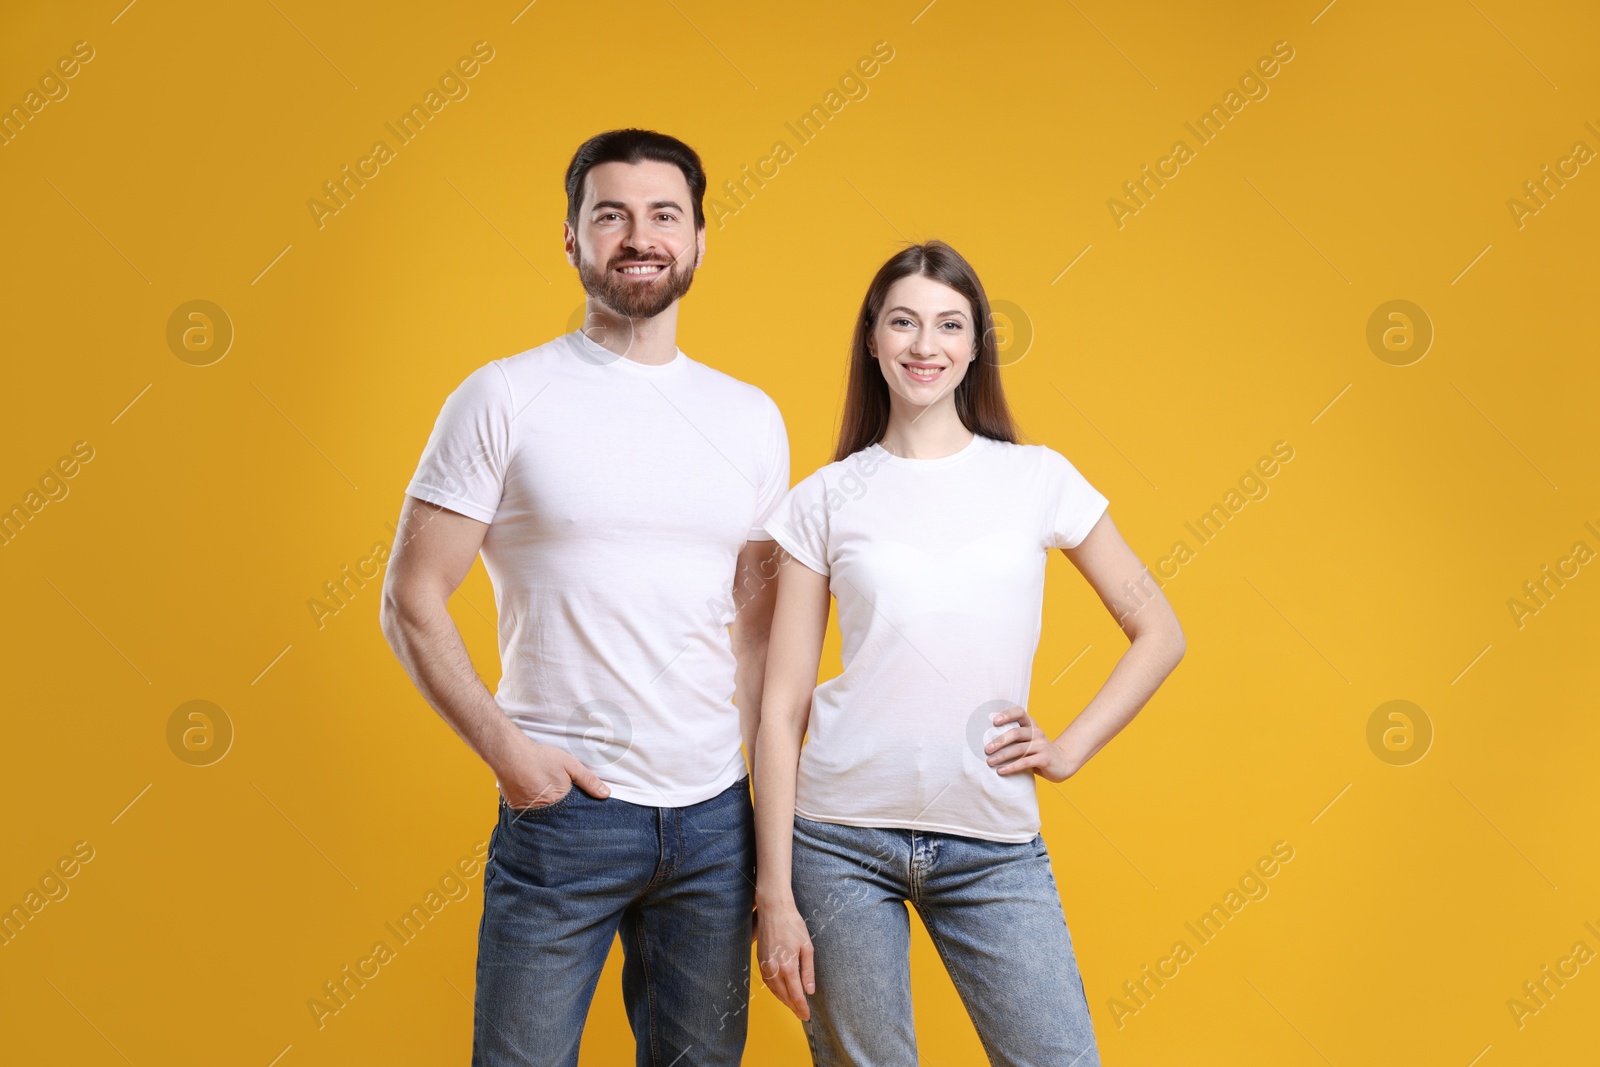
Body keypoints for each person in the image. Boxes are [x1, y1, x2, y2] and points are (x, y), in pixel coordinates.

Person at [379, 128, 790, 1067]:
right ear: (572, 240)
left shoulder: (751, 417)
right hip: (564, 813)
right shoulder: (503, 396)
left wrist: (766, 828)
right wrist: (511, 756)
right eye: (611, 216)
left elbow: (759, 637)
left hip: (717, 818)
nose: (638, 236)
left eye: (663, 216)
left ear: (697, 240)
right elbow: (411, 597)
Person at [751, 240, 1186, 1066]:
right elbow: (780, 710)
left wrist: (1068, 748)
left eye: (950, 325)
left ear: (976, 343)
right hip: (839, 838)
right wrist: (774, 893)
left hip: (990, 840)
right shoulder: (825, 497)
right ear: (872, 340)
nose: (926, 345)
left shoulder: (1038, 478)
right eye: (904, 323)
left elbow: (1159, 630)